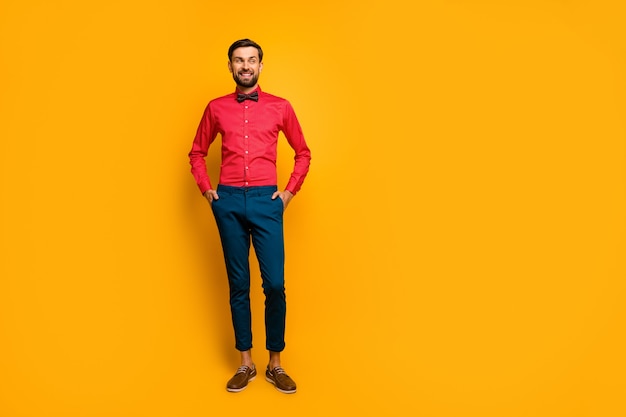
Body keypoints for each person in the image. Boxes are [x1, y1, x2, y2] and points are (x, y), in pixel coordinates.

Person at [188, 39, 311, 394]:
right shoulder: (215, 108)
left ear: (260, 65)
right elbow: (197, 152)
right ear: (230, 66)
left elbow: (303, 153)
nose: (246, 66)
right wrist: (207, 190)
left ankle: (275, 364)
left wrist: (288, 192)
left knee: (274, 284)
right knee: (238, 284)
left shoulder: (280, 107)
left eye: (252, 60)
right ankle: (246, 363)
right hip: (227, 200)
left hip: (266, 200)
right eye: (239, 60)